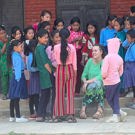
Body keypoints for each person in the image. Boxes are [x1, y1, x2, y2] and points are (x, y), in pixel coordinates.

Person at [53, 28, 77, 123]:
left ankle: (59, 115)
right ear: (69, 36)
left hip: (59, 69)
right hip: (70, 68)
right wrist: (75, 73)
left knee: (59, 92)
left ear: (59, 36)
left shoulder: (55, 47)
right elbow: (74, 62)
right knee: (70, 92)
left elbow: (55, 59)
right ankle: (70, 115)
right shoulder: (72, 47)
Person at [102, 38, 127, 123]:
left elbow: (104, 71)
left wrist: (104, 77)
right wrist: (117, 76)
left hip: (109, 81)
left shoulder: (107, 57)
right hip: (117, 81)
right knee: (115, 98)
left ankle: (117, 113)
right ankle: (118, 113)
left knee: (109, 99)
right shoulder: (119, 58)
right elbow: (121, 71)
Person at [80, 45, 104, 119]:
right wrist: (85, 82)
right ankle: (83, 110)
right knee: (93, 85)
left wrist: (88, 82)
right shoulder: (90, 61)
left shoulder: (104, 62)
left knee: (97, 83)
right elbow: (83, 75)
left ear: (101, 52)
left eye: (95, 51)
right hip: (89, 86)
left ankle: (99, 109)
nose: (93, 52)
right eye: (92, 51)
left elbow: (101, 76)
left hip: (101, 87)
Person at [7, 40, 28, 122]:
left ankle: (12, 116)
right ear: (15, 48)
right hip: (18, 77)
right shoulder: (16, 56)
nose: (22, 47)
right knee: (16, 97)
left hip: (15, 77)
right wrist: (18, 79)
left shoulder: (14, 54)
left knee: (13, 97)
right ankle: (18, 117)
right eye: (20, 46)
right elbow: (18, 68)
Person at [35, 29, 53, 122]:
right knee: (45, 95)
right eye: (44, 38)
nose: (46, 39)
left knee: (45, 94)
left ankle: (43, 114)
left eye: (47, 37)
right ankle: (40, 114)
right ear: (39, 38)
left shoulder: (40, 47)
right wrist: (51, 72)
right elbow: (45, 63)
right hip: (45, 74)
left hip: (44, 74)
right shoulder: (40, 48)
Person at [45, 30, 61, 120]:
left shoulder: (63, 47)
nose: (58, 39)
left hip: (61, 72)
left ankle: (59, 112)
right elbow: (48, 61)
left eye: (59, 37)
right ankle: (52, 112)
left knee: (59, 92)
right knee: (54, 93)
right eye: (56, 37)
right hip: (53, 73)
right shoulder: (49, 48)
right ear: (52, 38)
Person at [68, 17, 84, 94]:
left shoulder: (82, 33)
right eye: (74, 25)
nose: (75, 27)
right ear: (71, 25)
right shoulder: (68, 32)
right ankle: (70, 89)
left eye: (77, 25)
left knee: (78, 71)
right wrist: (73, 40)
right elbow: (67, 42)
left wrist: (80, 40)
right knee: (71, 71)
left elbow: (83, 43)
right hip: (71, 53)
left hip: (79, 53)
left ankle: (77, 89)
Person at [25, 39, 40, 120]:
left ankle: (32, 113)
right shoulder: (33, 55)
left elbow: (28, 67)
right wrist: (39, 68)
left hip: (32, 77)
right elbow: (32, 68)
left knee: (32, 95)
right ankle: (36, 112)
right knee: (35, 95)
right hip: (35, 75)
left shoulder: (29, 55)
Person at [123, 29, 135, 109]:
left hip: (133, 66)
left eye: (128, 38)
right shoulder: (131, 44)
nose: (127, 39)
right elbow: (123, 45)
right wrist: (128, 40)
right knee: (133, 85)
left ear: (133, 38)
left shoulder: (134, 47)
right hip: (129, 66)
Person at [0, 25, 10, 99]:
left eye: (4, 33)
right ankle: (4, 93)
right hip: (3, 63)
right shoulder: (1, 43)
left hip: (10, 62)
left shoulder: (9, 40)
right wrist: (5, 43)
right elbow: (1, 52)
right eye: (1, 33)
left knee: (12, 77)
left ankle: (11, 92)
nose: (3, 35)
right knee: (4, 79)